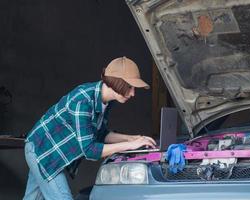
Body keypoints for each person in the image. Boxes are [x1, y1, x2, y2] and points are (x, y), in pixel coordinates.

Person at [23, 57, 156, 200]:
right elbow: (89, 150)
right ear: (118, 82)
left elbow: (100, 134)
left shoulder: (106, 101)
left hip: (49, 152)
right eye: (130, 87)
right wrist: (130, 145)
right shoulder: (83, 100)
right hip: (43, 150)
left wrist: (133, 138)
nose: (133, 93)